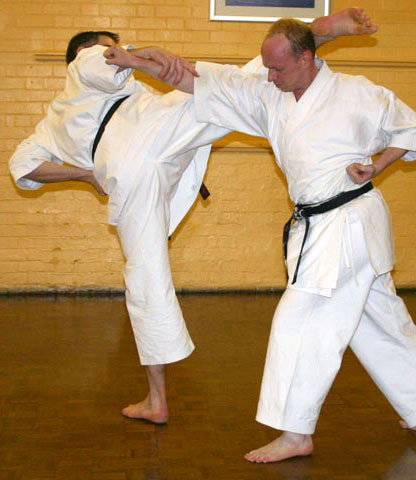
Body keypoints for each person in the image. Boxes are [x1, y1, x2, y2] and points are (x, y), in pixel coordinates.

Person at [104, 13, 416, 463]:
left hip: (347, 224)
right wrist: (140, 62)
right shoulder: (270, 99)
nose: (269, 76)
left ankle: (295, 433)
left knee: (301, 321)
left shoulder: (356, 93)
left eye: (277, 68)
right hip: (327, 227)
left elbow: (411, 129)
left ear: (307, 58)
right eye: (266, 68)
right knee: (381, 325)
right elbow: (196, 81)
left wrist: (378, 164)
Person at [9, 10, 374, 426]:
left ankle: (156, 399)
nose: (113, 51)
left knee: (146, 275)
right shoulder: (84, 64)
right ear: (79, 54)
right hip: (147, 134)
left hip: (133, 161)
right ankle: (313, 36)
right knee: (224, 90)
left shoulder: (51, 125)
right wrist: (130, 53)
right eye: (105, 44)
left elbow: (22, 167)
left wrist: (84, 172)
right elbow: (105, 57)